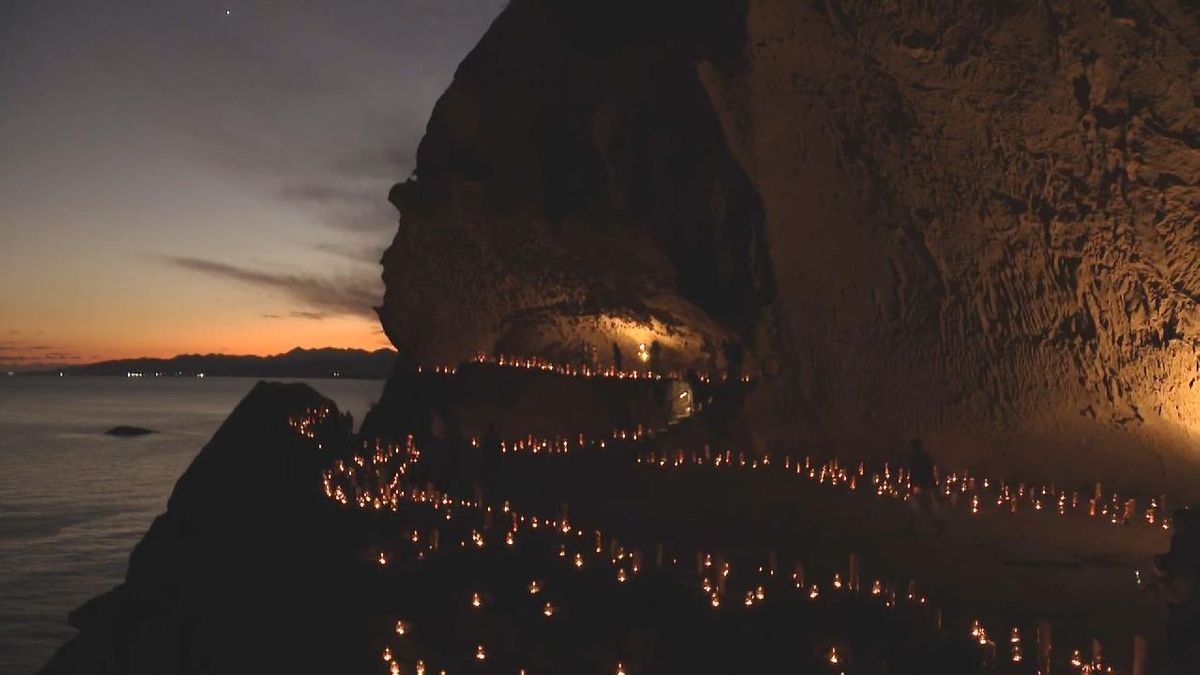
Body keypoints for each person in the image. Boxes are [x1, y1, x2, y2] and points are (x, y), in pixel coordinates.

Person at [1155, 507, 1200, 673]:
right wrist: (1162, 561)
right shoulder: (1177, 540)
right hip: (1177, 595)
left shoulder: (1194, 544)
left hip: (1190, 599)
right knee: (1175, 638)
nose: (1175, 526)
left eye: (1179, 523)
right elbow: (1173, 558)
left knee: (1187, 638)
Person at [907, 438, 944, 534]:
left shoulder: (916, 458)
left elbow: (915, 473)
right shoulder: (925, 457)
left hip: (921, 487)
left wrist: (912, 485)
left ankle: (940, 527)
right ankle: (912, 528)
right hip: (924, 486)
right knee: (916, 508)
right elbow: (930, 472)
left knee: (925, 509)